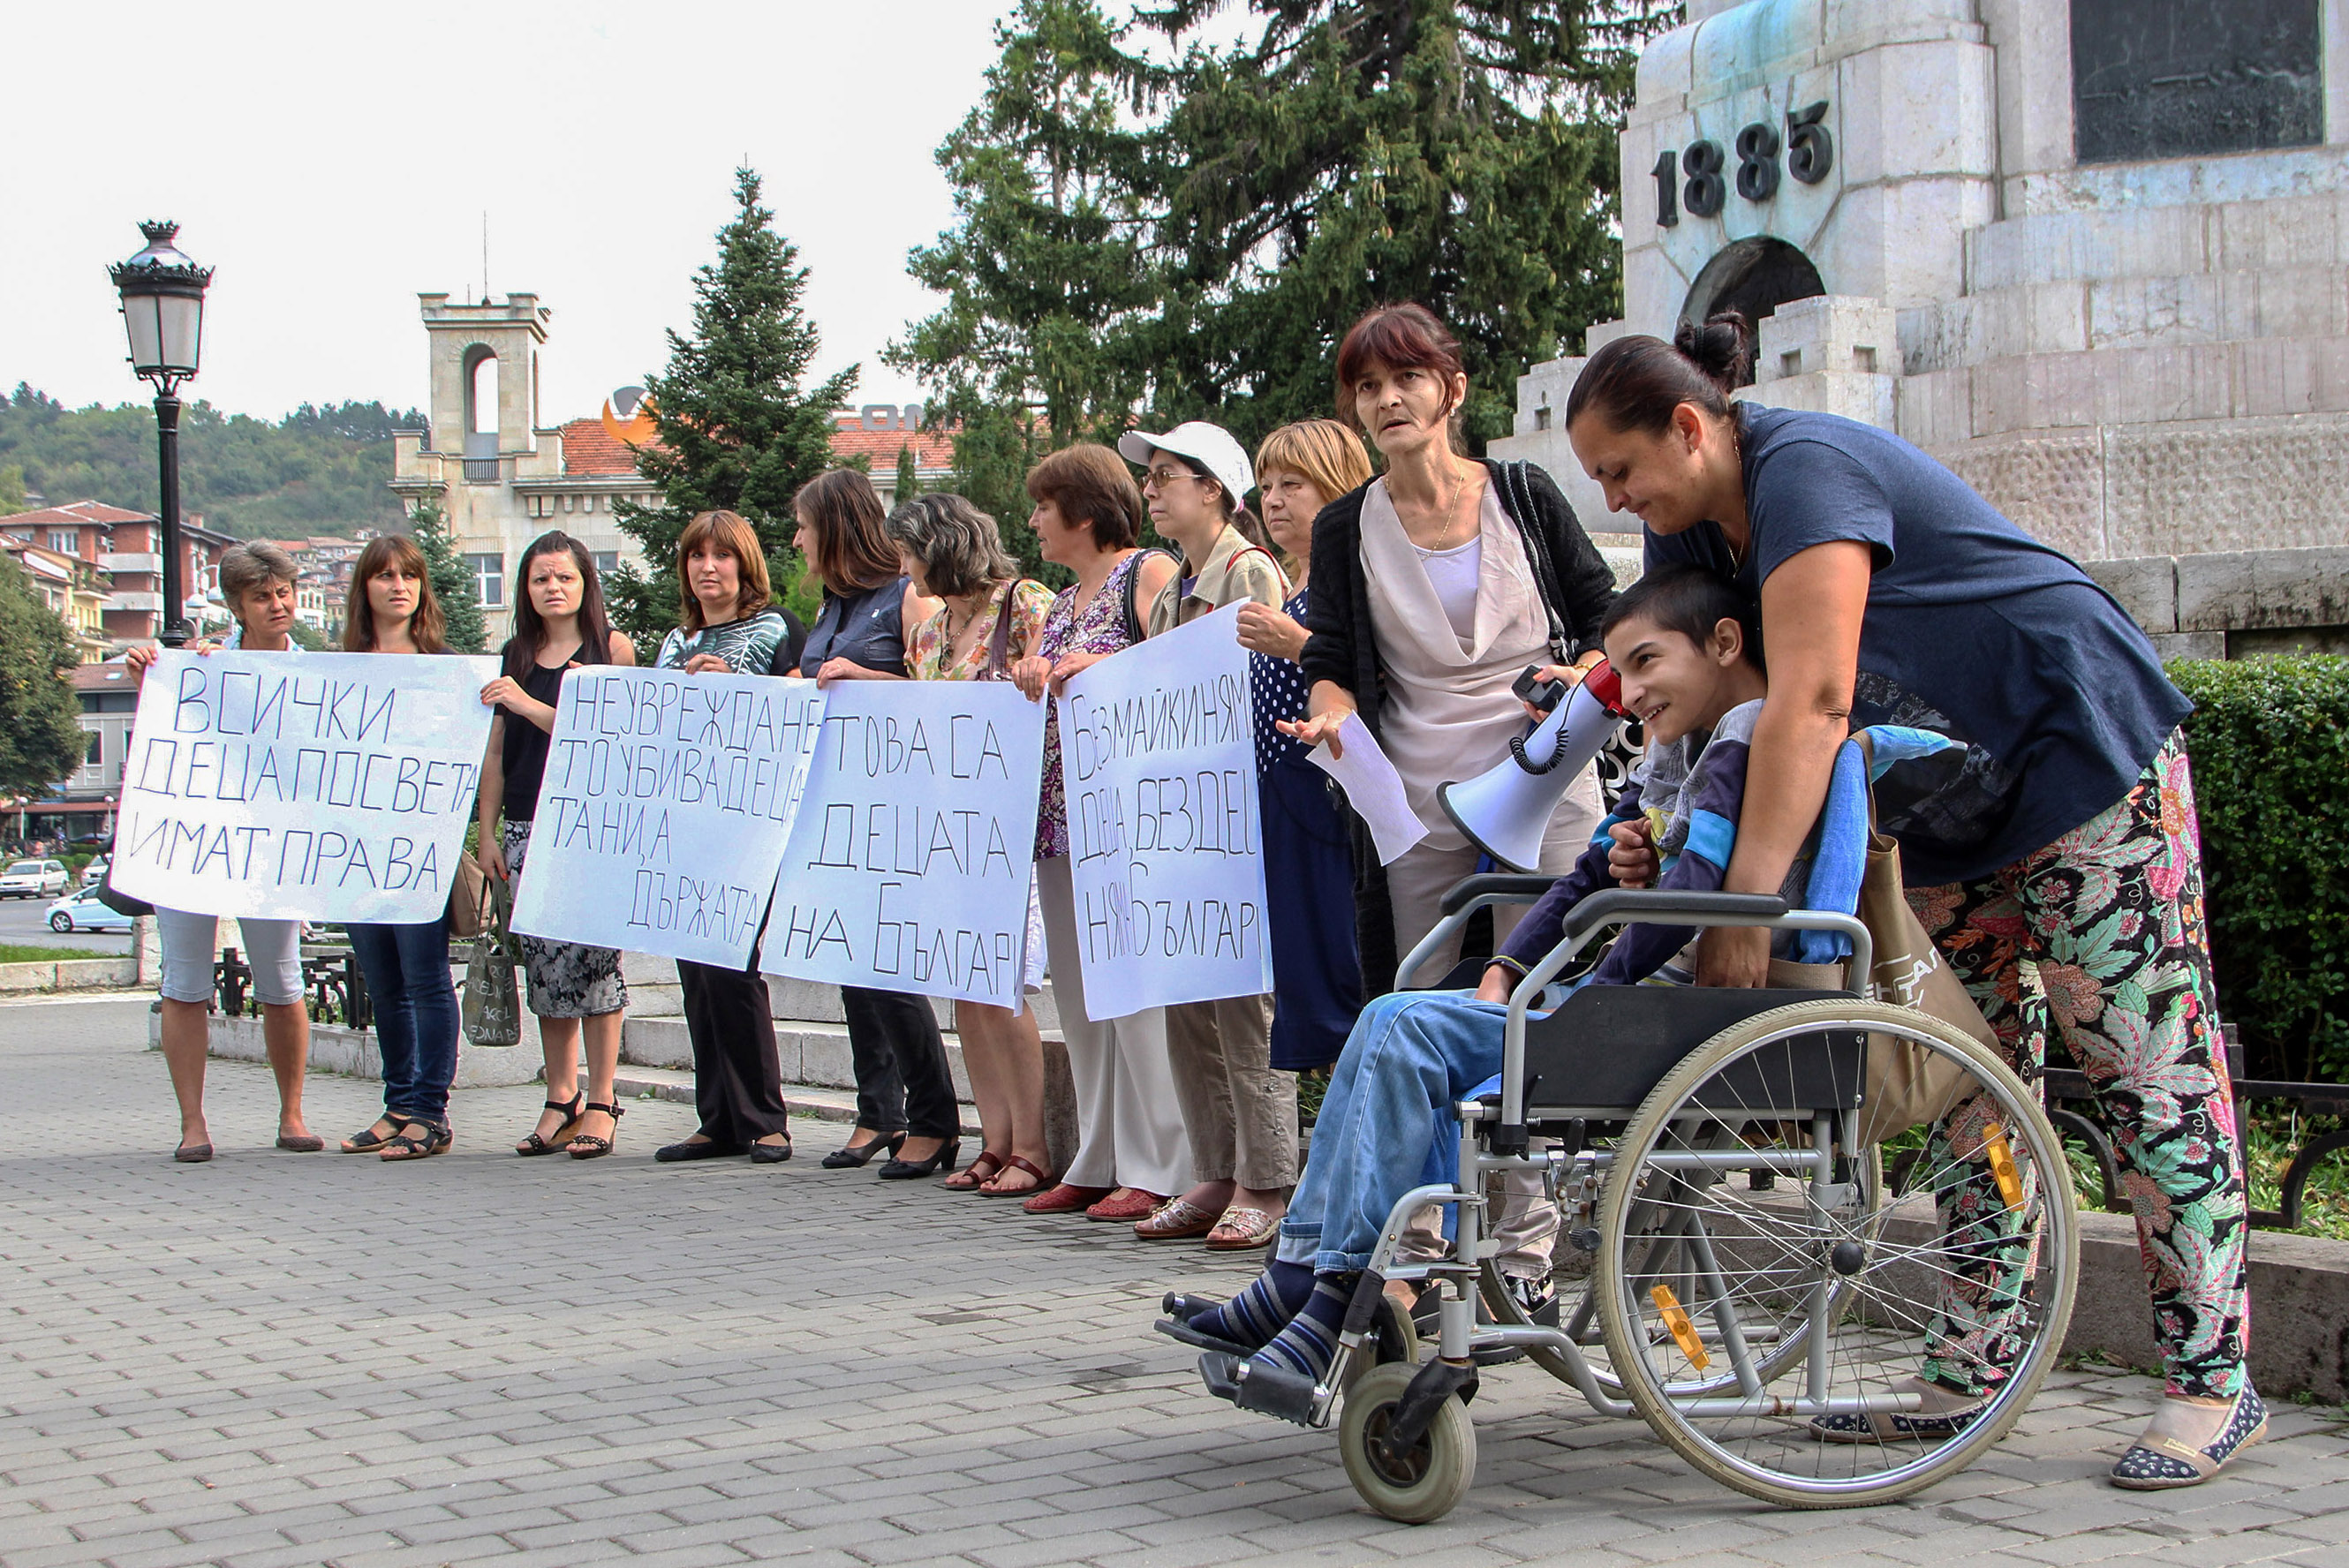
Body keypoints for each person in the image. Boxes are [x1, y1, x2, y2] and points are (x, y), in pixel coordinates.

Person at [1566, 313, 2260, 1489]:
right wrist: (1650, 840)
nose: (1619, 500)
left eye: (1621, 471)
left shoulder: (1806, 471)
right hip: (1937, 817)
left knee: (2145, 1072)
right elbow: (1705, 705)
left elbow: (1818, 694)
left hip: (2078, 762)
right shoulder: (1699, 543)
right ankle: (1973, 1367)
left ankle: (2211, 1382)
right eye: (1599, 482)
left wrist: (1745, 912)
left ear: (1691, 427)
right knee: (1961, 1088)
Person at [1181, 567, 1781, 1395]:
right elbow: (1590, 872)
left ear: (1723, 643)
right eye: (1620, 670)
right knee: (1394, 1021)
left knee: (1400, 1025)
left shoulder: (1745, 732)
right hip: (1618, 1007)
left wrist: (1592, 978)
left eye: (1645, 664)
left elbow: (1696, 895)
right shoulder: (1680, 743)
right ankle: (1311, 1281)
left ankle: (1325, 1291)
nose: (1627, 693)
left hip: (1647, 1019)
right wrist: (1507, 965)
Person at [1280, 302, 1618, 1318]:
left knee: (1530, 1010)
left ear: (1450, 390)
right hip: (1414, 795)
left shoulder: (1522, 491)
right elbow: (1332, 665)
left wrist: (1588, 672)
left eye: (1406, 379)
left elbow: (1608, 618)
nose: (1386, 399)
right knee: (1418, 1009)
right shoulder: (1347, 527)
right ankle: (1413, 1247)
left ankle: (1524, 1252)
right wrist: (1330, 720)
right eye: (1367, 386)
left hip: (1548, 778)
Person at [1109, 423, 1296, 1245]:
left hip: (1239, 816)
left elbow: (1262, 684)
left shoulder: (1248, 570)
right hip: (1179, 823)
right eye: (1149, 477)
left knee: (1245, 1009)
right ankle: (1215, 1173)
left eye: (1169, 475)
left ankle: (1269, 1181)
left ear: (1216, 489)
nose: (1151, 488)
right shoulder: (1163, 592)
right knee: (1189, 1002)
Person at [1008, 445, 1187, 1220]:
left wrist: (1100, 665)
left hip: (1124, 817)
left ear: (1082, 509)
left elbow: (1176, 670)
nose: (1034, 520)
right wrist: (1027, 674)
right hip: (1061, 815)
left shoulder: (1144, 572)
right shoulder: (1056, 606)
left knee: (1137, 996)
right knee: (1081, 997)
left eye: (1044, 506)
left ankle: (1161, 1159)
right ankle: (1101, 1150)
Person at [123, 544, 317, 1163]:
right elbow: (168, 722)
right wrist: (152, 675)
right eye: (263, 596)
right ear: (238, 606)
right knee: (185, 982)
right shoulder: (203, 665)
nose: (279, 604)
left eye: (284, 591)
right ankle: (193, 1125)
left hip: (269, 845)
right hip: (195, 841)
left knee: (281, 981)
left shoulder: (318, 672)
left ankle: (292, 1114)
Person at [887, 492, 1057, 1196]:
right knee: (966, 986)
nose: (902, 565)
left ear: (942, 543)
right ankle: (994, 1139)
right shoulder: (929, 632)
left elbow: (1055, 697)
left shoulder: (1025, 605)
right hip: (951, 826)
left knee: (1004, 985)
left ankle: (1033, 1145)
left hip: (1013, 823)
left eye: (908, 549)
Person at [791, 470, 959, 1180]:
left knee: (889, 968)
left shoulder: (908, 596)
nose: (795, 539)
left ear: (834, 527)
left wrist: (860, 680)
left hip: (896, 805)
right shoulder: (834, 606)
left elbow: (943, 692)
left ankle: (935, 1120)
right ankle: (877, 1109)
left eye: (802, 526)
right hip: (835, 809)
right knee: (853, 967)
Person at [475, 531, 639, 1160]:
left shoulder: (610, 650)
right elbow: (495, 754)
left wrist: (529, 704)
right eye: (541, 578)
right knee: (544, 964)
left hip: (592, 826)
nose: (553, 587)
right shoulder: (517, 654)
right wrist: (486, 832)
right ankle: (560, 1096)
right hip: (525, 822)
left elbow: (612, 738)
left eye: (564, 577)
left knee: (597, 963)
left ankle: (602, 1099)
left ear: (584, 583)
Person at [653, 509, 800, 1167]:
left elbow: (797, 711)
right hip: (683, 823)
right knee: (696, 975)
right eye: (696, 557)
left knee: (736, 971)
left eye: (721, 556)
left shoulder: (776, 628)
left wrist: (734, 687)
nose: (708, 568)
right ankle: (715, 1117)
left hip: (749, 822)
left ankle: (765, 1118)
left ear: (745, 564)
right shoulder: (672, 641)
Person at [1235, 419, 1373, 1089]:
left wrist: (1296, 643)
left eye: (1294, 483)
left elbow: (1368, 677)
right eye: (1265, 485)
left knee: (1345, 985)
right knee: (1310, 995)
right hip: (1285, 803)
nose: (1275, 498)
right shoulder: (1293, 584)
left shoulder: (1355, 576)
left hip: (1332, 805)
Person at [332, 536, 467, 1161]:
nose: (397, 586)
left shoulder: (446, 669)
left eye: (408, 575)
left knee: (425, 979)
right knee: (383, 983)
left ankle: (429, 1111)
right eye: (384, 576)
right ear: (365, 589)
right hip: (356, 853)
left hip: (418, 851)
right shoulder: (337, 671)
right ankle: (397, 1103)